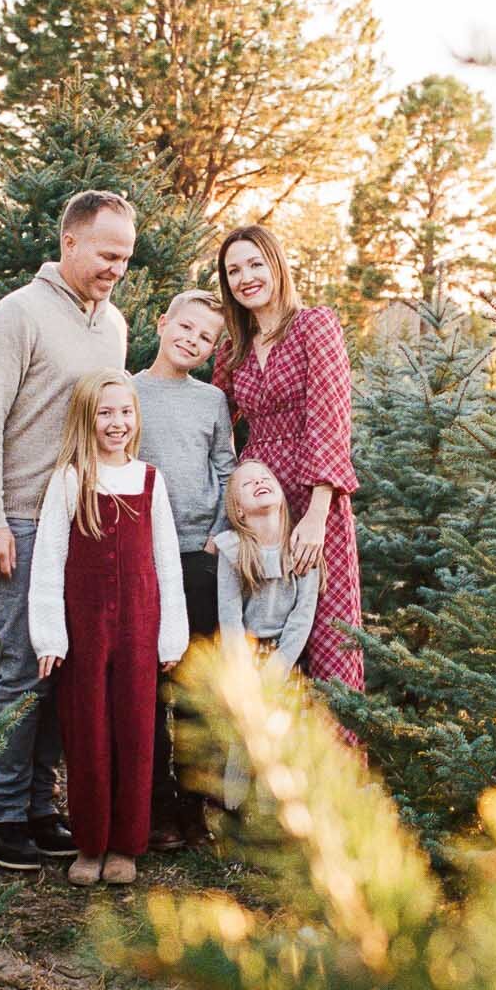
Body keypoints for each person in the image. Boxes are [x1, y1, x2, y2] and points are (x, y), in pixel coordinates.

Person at [0, 190, 135, 872]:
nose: (116, 267)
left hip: (82, 521)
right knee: (21, 669)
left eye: (125, 257)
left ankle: (40, 806)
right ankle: (2, 816)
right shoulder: (18, 314)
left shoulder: (112, 326)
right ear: (70, 242)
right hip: (22, 520)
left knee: (64, 671)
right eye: (106, 253)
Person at [28, 371, 190, 886]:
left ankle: (127, 844)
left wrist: (171, 637)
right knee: (87, 732)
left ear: (136, 417)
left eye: (125, 412)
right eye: (105, 413)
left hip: (140, 628)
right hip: (86, 628)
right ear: (86, 419)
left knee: (137, 732)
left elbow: (167, 564)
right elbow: (49, 561)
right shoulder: (71, 480)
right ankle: (91, 842)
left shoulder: (149, 480)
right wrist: (50, 637)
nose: (117, 422)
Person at [211, 224, 365, 696]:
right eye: (234, 270)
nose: (246, 277)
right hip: (259, 503)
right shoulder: (232, 349)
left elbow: (330, 417)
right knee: (265, 631)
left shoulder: (314, 326)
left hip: (314, 493)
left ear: (276, 265)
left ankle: (335, 763)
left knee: (329, 632)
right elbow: (214, 425)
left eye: (255, 263)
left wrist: (318, 514)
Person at [131, 290, 234, 849]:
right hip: (143, 555)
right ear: (163, 321)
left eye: (205, 338)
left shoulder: (211, 400)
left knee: (193, 685)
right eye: (185, 328)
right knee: (147, 686)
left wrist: (219, 534)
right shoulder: (127, 389)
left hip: (199, 555)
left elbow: (227, 468)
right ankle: (155, 809)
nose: (191, 341)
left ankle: (197, 806)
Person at [212, 458, 322, 808]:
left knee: (283, 734)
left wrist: (280, 665)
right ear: (239, 510)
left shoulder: (302, 547)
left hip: (287, 657)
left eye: (265, 477)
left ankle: (273, 815)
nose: (259, 482)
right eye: (248, 483)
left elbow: (302, 616)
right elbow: (229, 616)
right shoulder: (232, 549)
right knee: (245, 734)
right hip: (247, 652)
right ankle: (233, 812)